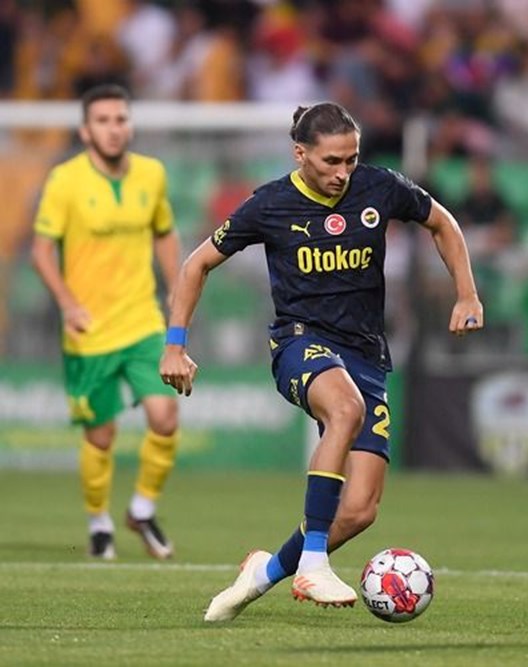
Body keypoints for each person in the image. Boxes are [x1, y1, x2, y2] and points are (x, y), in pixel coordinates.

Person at [159, 102, 483, 621]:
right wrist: (175, 345)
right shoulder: (270, 204)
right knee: (345, 409)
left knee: (359, 511)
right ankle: (312, 562)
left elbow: (441, 223)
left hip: (366, 354)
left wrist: (466, 293)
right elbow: (197, 264)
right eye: (332, 161)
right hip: (299, 342)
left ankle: (263, 573)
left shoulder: (379, 187)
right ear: (300, 154)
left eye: (351, 160)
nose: (342, 172)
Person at [30, 83, 181, 561]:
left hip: (142, 321)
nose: (114, 129)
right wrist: (67, 303)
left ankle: (142, 510)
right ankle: (99, 522)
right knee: (101, 436)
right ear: (85, 131)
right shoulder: (65, 180)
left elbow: (164, 232)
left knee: (165, 416)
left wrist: (176, 285)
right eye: (103, 121)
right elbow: (41, 251)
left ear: (130, 125)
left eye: (121, 119)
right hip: (89, 330)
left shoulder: (152, 174)